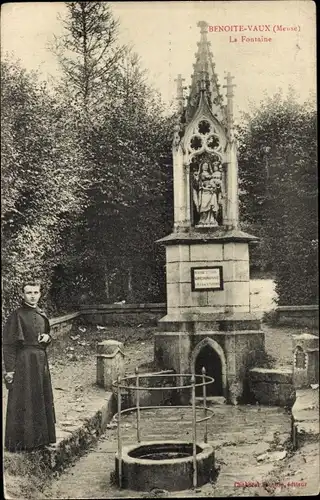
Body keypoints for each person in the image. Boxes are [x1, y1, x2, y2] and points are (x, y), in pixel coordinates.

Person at [3, 280, 56, 452]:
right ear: (22, 294)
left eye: (35, 292)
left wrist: (48, 338)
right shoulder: (16, 315)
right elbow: (9, 345)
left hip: (40, 361)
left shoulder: (41, 313)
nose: (32, 296)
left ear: (40, 294)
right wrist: (10, 371)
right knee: (25, 400)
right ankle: (23, 443)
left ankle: (42, 439)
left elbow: (46, 334)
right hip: (24, 363)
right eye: (29, 293)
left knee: (40, 397)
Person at [197, 162, 219, 226]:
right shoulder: (200, 174)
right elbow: (200, 185)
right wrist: (206, 188)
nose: (205, 167)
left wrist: (213, 188)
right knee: (204, 206)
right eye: (204, 165)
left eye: (207, 165)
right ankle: (202, 220)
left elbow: (214, 182)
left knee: (211, 206)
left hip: (211, 192)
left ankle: (210, 220)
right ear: (201, 166)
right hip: (204, 192)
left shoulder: (211, 174)